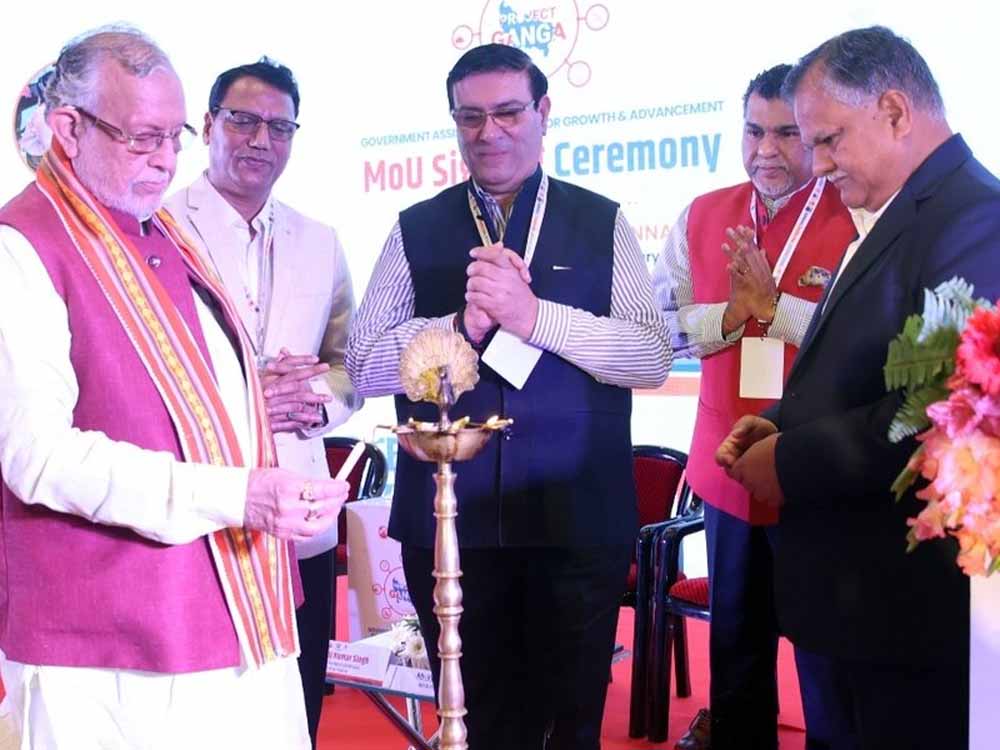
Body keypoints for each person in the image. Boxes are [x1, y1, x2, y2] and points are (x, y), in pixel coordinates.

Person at [0, 27, 348, 749]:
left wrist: (276, 481)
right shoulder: (20, 246)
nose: (165, 158)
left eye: (173, 136)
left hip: (236, 606)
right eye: (141, 137)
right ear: (68, 128)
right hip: (107, 642)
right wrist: (238, 495)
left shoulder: (159, 232)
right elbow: (39, 457)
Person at [346, 42, 670, 750]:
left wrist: (535, 318)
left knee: (569, 723)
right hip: (450, 523)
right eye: (470, 117)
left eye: (508, 113)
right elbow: (363, 364)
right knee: (475, 721)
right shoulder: (415, 227)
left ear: (544, 112)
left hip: (577, 519)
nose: (488, 132)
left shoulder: (602, 220)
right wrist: (457, 329)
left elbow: (650, 355)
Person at [717, 26, 1000, 749]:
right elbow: (861, 367)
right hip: (853, 604)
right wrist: (780, 420)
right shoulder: (898, 212)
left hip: (904, 610)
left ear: (895, 112)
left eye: (827, 140)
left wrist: (787, 461)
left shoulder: (975, 218)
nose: (815, 165)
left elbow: (940, 409)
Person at [652, 64, 854, 750]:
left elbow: (863, 335)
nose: (766, 150)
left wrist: (777, 307)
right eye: (753, 131)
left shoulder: (855, 211)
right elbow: (664, 326)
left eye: (786, 134)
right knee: (736, 643)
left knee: (825, 653)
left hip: (817, 467)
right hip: (728, 467)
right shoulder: (701, 214)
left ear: (817, 135)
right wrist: (733, 316)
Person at [165, 56, 360, 749]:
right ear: (208, 125)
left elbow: (349, 361)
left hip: (300, 508)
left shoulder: (319, 239)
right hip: (202, 508)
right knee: (209, 715)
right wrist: (249, 396)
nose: (260, 140)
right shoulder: (157, 227)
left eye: (279, 128)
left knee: (298, 707)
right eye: (243, 121)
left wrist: (314, 404)